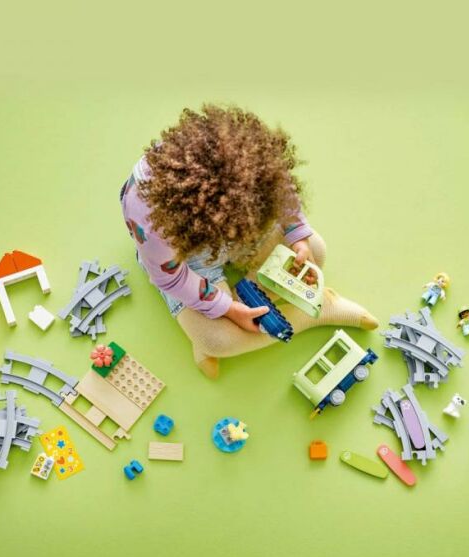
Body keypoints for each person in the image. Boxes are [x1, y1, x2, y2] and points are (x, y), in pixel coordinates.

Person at [120, 104, 377, 378]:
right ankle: (318, 311)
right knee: (216, 341)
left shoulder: (245, 157)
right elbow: (172, 279)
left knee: (315, 250)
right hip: (186, 257)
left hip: (241, 221)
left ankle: (234, 311)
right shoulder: (150, 221)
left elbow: (280, 187)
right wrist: (227, 309)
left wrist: (298, 236)